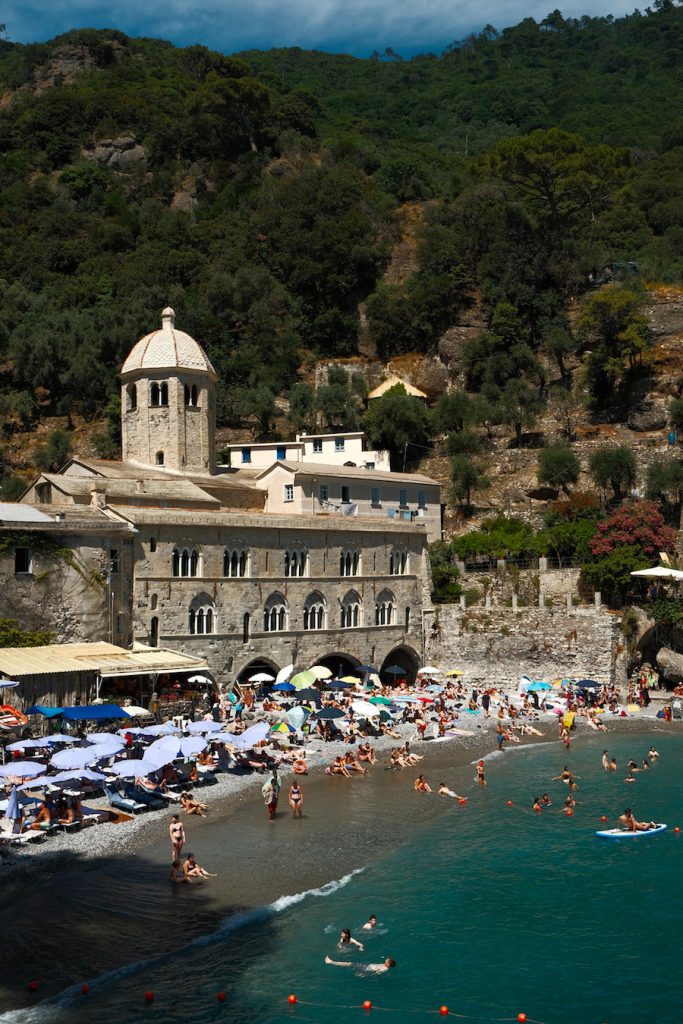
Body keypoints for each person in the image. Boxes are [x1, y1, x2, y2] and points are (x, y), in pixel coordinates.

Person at [324, 955, 396, 974]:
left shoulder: (384, 969)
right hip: (366, 966)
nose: (386, 959)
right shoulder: (384, 966)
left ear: (388, 964)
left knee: (349, 964)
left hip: (365, 968)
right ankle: (332, 962)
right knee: (350, 964)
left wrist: (363, 974)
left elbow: (375, 973)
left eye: (388, 960)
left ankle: (331, 962)